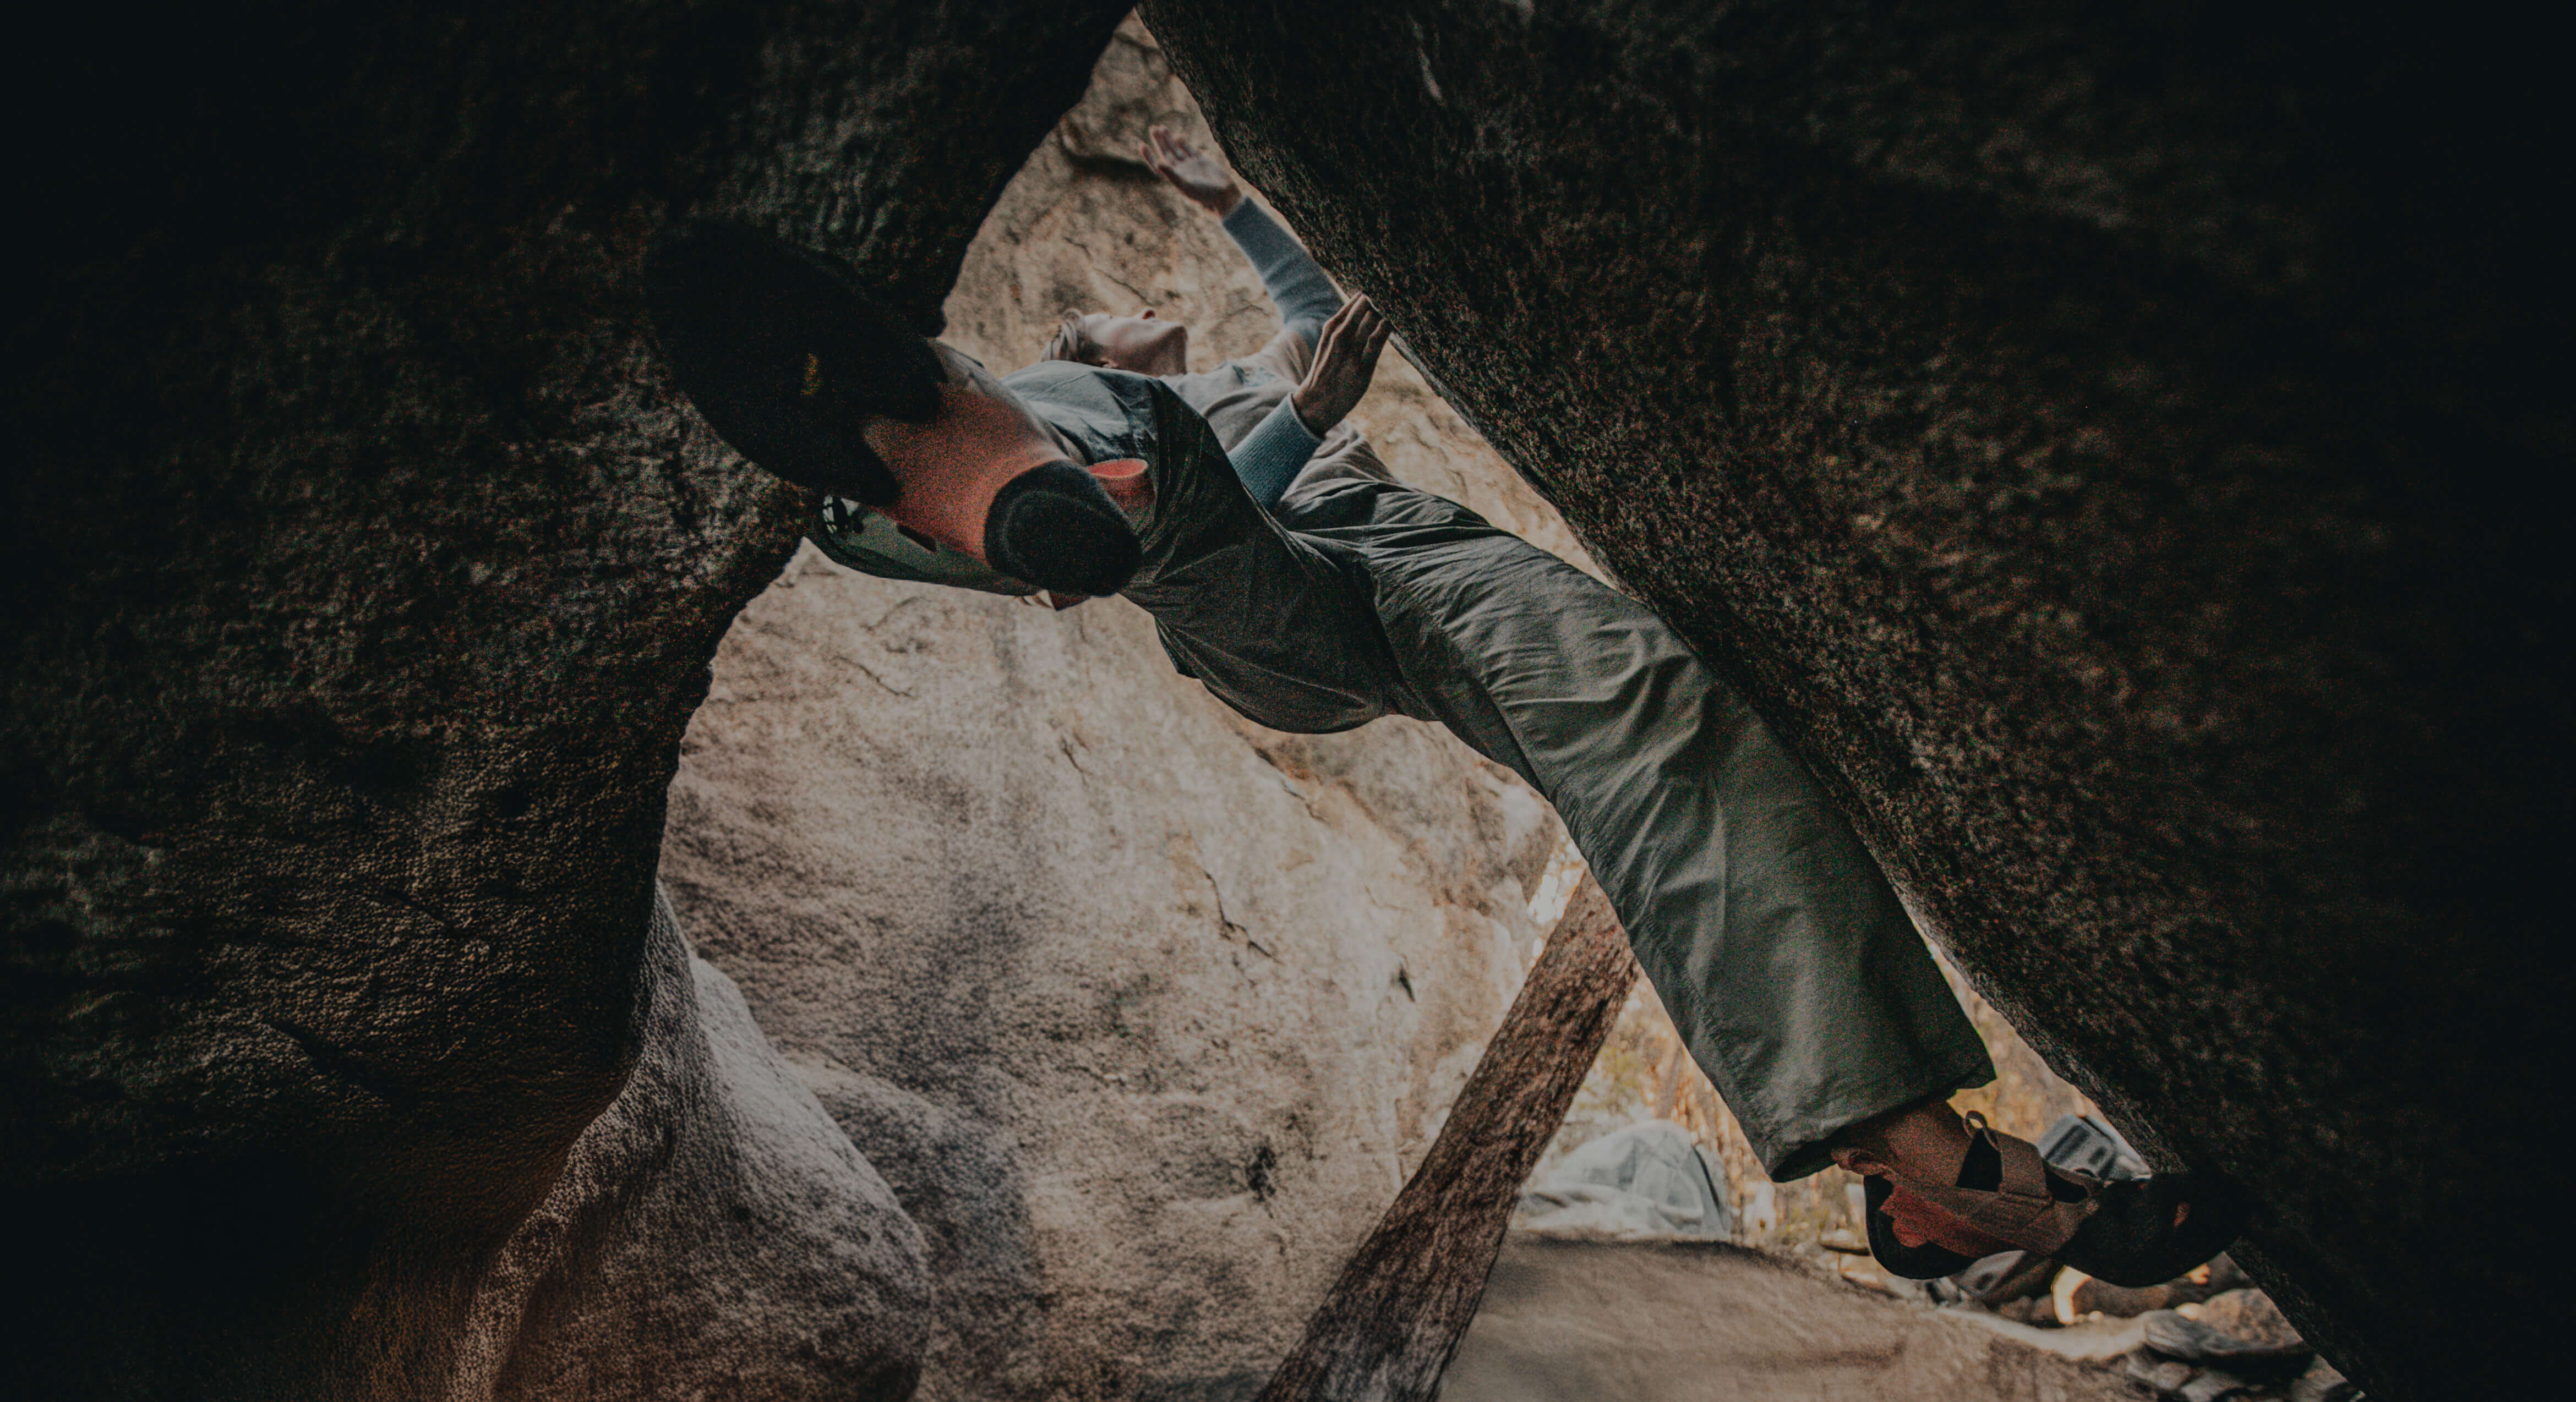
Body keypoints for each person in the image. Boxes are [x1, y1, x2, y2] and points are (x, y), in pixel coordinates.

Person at [643, 128, 2246, 1286]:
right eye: (1107, 313)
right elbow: (1258, 444)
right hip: (1272, 576)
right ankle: (1945, 1174)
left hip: (1319, 531)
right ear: (1057, 349)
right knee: (1204, 509)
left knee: (1653, 695)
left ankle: (1926, 1183)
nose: (1141, 301)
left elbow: (1321, 331)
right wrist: (1276, 424)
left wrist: (1240, 209)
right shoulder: (1119, 396)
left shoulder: (1190, 398)